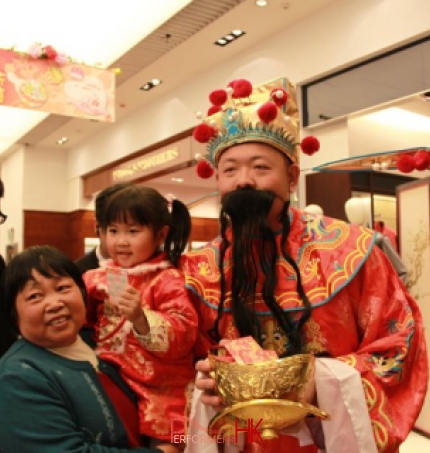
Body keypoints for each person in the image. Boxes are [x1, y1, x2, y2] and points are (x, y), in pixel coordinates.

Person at [181, 77, 428, 452]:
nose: (243, 181)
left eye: (260, 167)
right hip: (244, 441)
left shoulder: (351, 250)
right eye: (229, 170)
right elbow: (180, 361)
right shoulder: (198, 269)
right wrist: (207, 379)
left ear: (292, 177)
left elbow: (398, 347)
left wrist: (317, 382)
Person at [0, 245, 172, 453]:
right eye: (35, 296)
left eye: (62, 288)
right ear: (12, 313)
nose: (55, 303)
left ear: (83, 293)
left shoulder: (100, 345)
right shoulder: (18, 375)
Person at [83, 185, 197, 452]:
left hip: (159, 386)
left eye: (133, 231)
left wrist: (140, 318)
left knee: (170, 441)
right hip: (112, 375)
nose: (121, 241)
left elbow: (184, 332)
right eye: (113, 231)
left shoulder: (167, 279)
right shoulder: (96, 277)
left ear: (160, 234)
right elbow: (84, 321)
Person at [345, 197, 409, 286]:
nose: (353, 216)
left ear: (365, 214)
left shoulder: (378, 240)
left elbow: (401, 272)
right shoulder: (345, 243)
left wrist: (390, 293)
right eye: (350, 212)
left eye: (356, 212)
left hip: (377, 293)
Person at [75, 182, 132, 275]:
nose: (123, 242)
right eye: (114, 231)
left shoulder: (156, 271)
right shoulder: (76, 273)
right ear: (97, 227)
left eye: (133, 231)